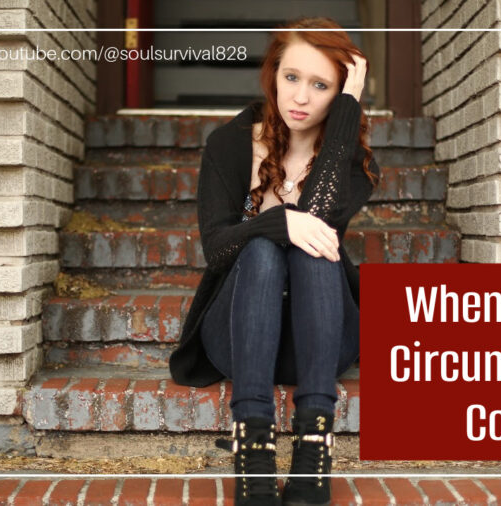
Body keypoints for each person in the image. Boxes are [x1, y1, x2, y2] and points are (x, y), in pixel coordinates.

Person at [168, 17, 379, 506]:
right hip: (240, 336)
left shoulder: (352, 164)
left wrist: (348, 110)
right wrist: (274, 223)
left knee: (314, 245)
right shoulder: (229, 144)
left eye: (321, 85)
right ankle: (254, 450)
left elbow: (317, 219)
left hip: (321, 340)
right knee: (262, 249)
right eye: (291, 77)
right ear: (273, 75)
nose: (301, 97)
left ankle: (313, 448)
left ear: (341, 93)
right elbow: (217, 249)